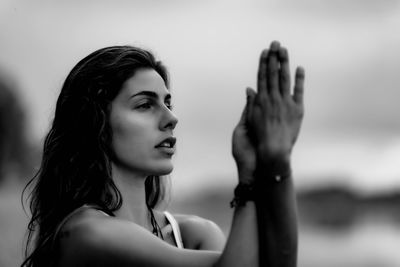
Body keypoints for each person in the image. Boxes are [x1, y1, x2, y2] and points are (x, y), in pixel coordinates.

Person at [21, 40, 305, 267]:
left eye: (168, 103)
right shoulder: (86, 233)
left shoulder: (193, 234)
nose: (171, 118)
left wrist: (276, 161)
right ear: (96, 122)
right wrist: (249, 180)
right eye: (145, 105)